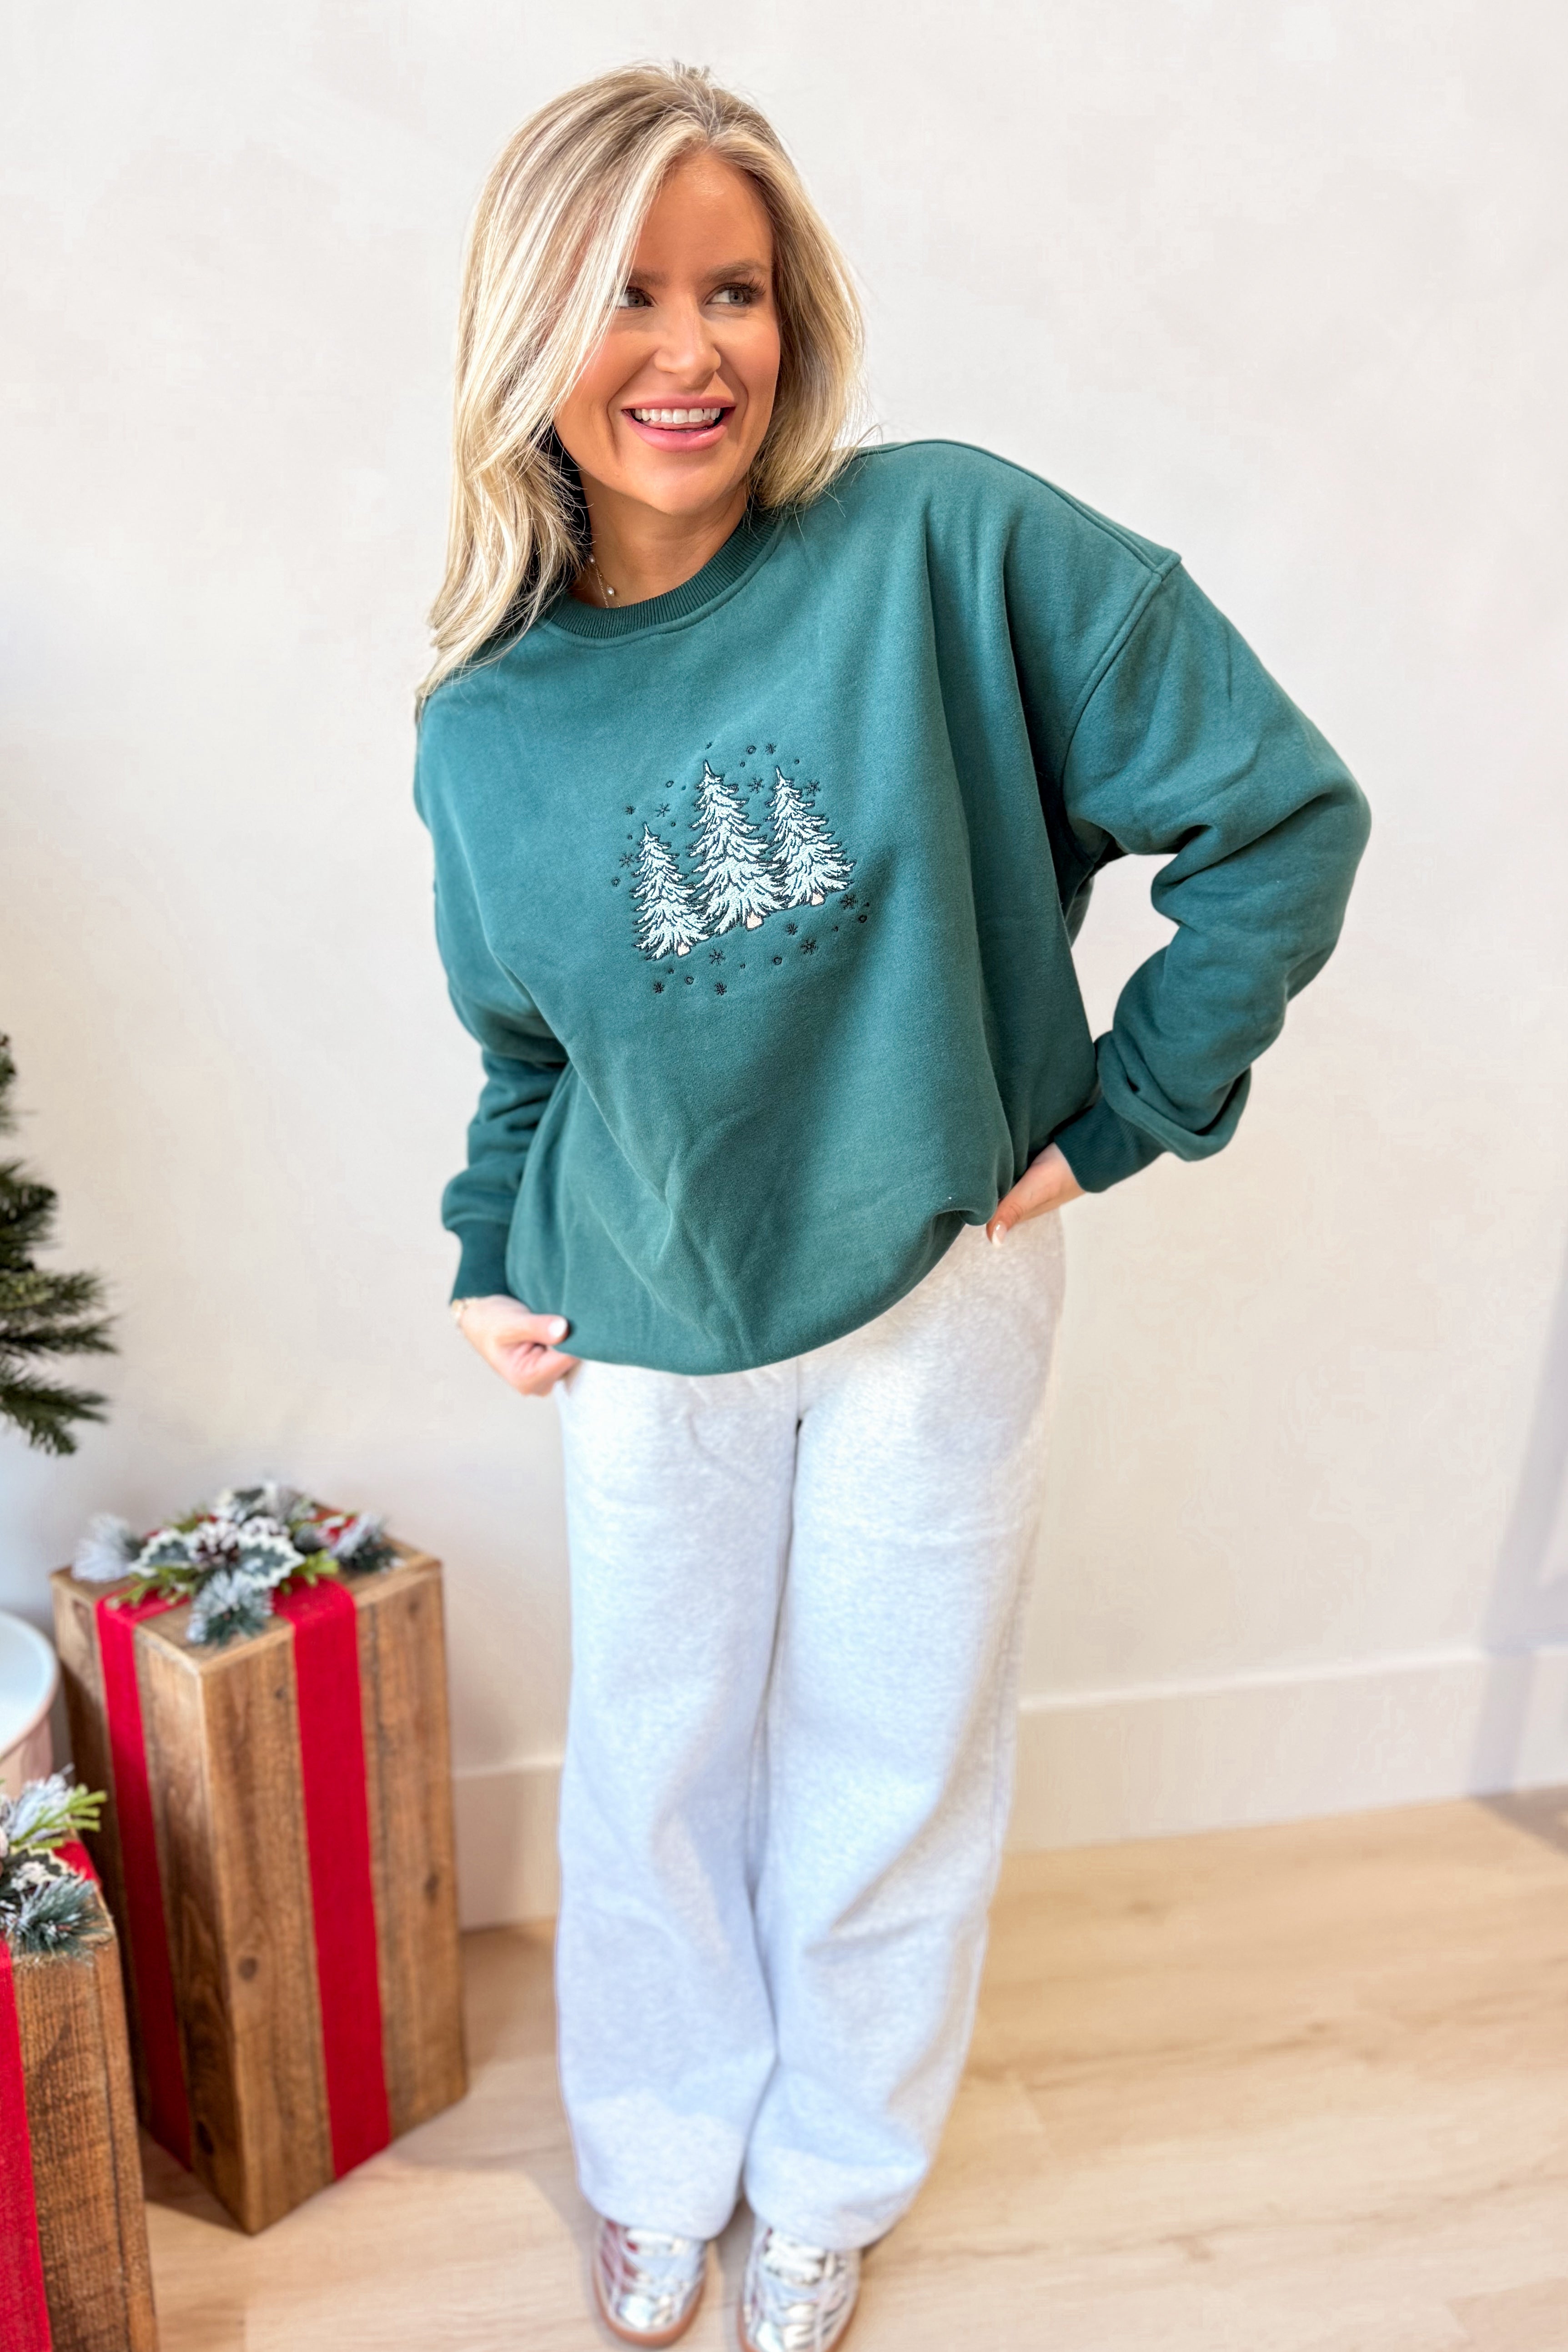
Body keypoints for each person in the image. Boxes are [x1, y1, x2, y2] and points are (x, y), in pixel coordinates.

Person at [414, 61, 1369, 2352]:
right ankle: (659, 2168)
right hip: (642, 1322)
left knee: (893, 1767)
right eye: (627, 291)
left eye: (735, 289)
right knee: (654, 1775)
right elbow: (530, 1054)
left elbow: (1280, 816)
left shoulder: (944, 545)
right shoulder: (483, 724)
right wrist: (487, 1251)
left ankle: (830, 2183)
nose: (691, 349)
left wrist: (1128, 1109)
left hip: (943, 1288)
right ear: (528, 329)